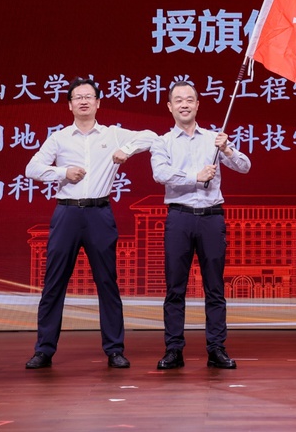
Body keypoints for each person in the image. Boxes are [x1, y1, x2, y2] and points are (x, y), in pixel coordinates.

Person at [24, 77, 156, 369]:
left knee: (107, 282)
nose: (83, 101)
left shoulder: (112, 134)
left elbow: (150, 137)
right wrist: (63, 173)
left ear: (98, 103)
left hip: (99, 213)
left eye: (88, 96)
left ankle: (114, 349)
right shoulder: (59, 138)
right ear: (70, 105)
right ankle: (44, 350)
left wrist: (127, 149)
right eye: (77, 97)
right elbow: (32, 168)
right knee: (54, 282)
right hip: (67, 213)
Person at [149, 81, 251, 370]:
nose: (184, 104)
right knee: (175, 288)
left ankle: (217, 348)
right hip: (179, 217)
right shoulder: (162, 142)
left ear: (197, 105)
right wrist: (196, 176)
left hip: (211, 217)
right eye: (178, 100)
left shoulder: (213, 139)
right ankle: (174, 349)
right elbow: (160, 174)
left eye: (189, 99)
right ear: (170, 107)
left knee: (214, 287)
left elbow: (245, 166)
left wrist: (227, 150)